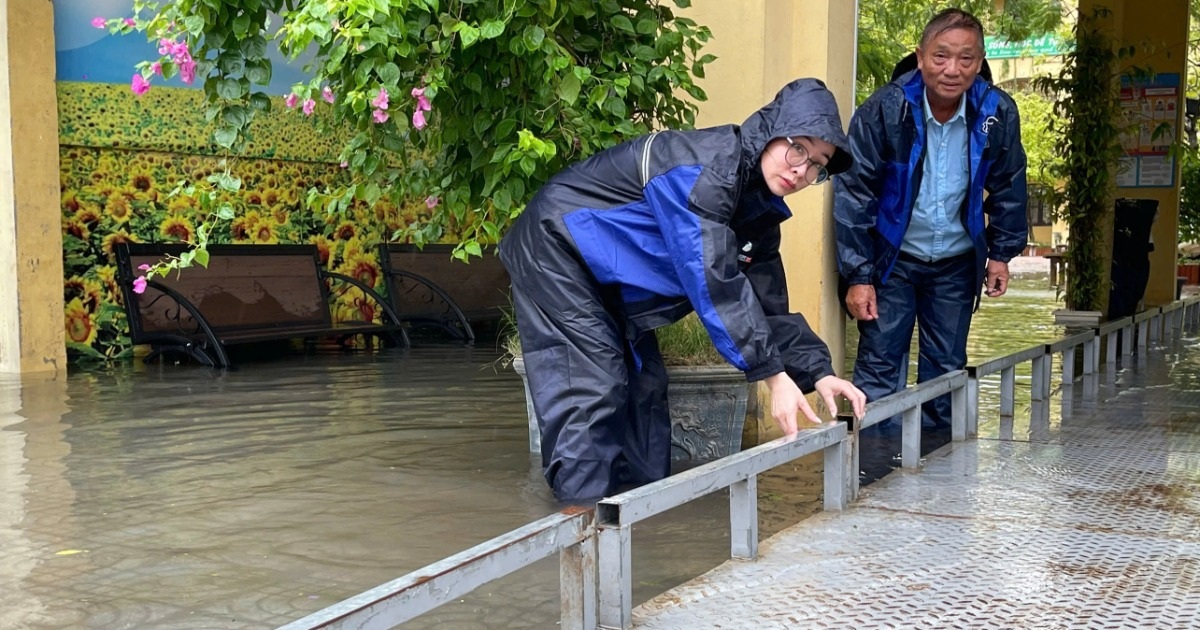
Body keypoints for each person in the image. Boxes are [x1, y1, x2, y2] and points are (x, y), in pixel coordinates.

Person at [500, 78, 867, 502]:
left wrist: (818, 372)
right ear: (770, 132)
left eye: (818, 165)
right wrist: (772, 376)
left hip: (607, 282)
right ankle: (580, 530)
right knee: (593, 388)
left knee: (645, 390)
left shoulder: (758, 214)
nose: (802, 170)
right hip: (555, 250)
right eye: (797, 148)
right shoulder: (705, 168)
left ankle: (643, 526)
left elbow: (765, 308)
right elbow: (712, 277)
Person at [833, 8, 1028, 430]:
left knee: (946, 373)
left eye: (966, 59)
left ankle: (941, 479)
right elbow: (854, 193)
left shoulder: (997, 113)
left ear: (979, 62)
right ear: (920, 57)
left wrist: (1001, 254)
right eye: (941, 56)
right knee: (880, 369)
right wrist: (858, 275)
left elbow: (1010, 184)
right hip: (893, 261)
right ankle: (871, 472)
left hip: (957, 262)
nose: (952, 70)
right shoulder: (885, 110)